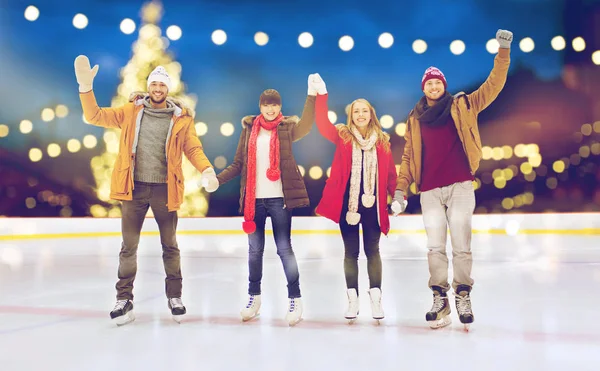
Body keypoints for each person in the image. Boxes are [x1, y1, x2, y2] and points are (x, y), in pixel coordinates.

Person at [74, 56, 219, 325]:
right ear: (148, 86)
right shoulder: (130, 111)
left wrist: (207, 170)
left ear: (168, 88)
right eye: (154, 84)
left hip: (165, 189)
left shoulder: (181, 120)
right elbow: (94, 116)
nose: (158, 89)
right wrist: (85, 88)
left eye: (162, 85)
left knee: (170, 246)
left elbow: (193, 149)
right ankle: (123, 298)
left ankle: (175, 297)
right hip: (134, 188)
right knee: (128, 247)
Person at [391, 29, 513, 330]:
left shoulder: (463, 105)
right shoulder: (415, 119)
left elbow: (493, 85)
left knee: (461, 245)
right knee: (434, 247)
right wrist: (400, 191)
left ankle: (462, 294)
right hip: (429, 190)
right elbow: (408, 158)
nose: (433, 86)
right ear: (424, 88)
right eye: (428, 83)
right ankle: (439, 297)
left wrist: (503, 51)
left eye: (437, 82)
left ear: (443, 85)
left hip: (459, 185)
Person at [216, 77, 316, 326]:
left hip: (280, 198)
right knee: (254, 251)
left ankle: (295, 299)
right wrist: (217, 180)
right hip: (254, 200)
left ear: (279, 107)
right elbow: (239, 163)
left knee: (284, 249)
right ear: (260, 107)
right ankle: (254, 298)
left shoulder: (286, 128)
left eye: (274, 105)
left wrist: (312, 97)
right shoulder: (250, 129)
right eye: (266, 105)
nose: (270, 109)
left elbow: (306, 126)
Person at [311, 74, 397, 323]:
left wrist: (398, 195)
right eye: (356, 111)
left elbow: (390, 173)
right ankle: (353, 299)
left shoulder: (382, 142)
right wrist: (321, 94)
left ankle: (376, 299)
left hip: (373, 207)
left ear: (371, 114)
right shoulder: (343, 136)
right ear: (351, 115)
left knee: (373, 251)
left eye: (364, 111)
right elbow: (321, 122)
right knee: (350, 253)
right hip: (348, 207)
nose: (360, 115)